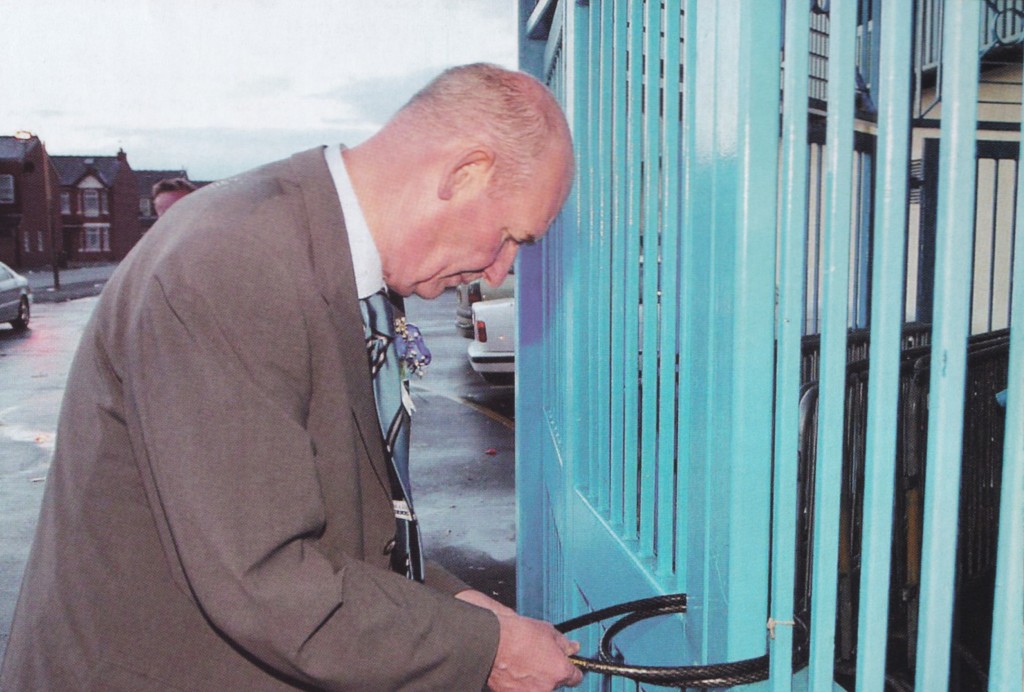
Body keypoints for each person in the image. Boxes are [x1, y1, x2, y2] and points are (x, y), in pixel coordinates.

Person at [0, 64, 579, 691]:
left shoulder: (324, 255)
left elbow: (341, 519)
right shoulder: (233, 263)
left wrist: (458, 602)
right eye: (508, 236)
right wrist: (484, 650)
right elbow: (267, 580)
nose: (498, 273)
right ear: (465, 172)